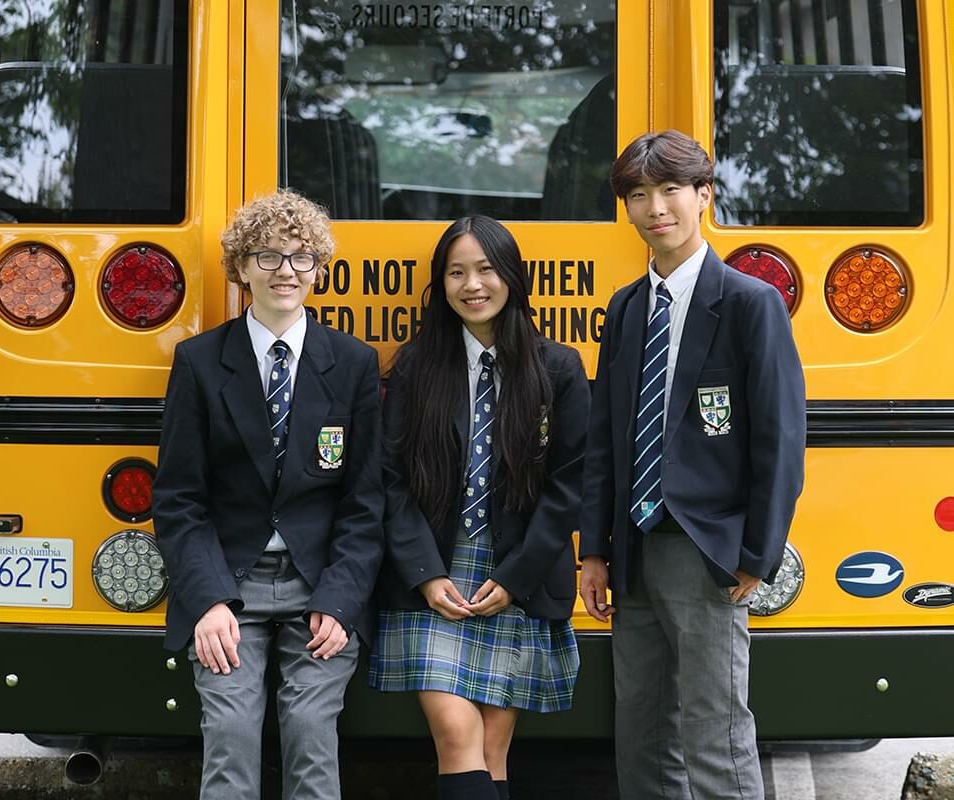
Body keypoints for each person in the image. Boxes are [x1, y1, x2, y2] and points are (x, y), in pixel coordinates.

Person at [578, 130, 805, 799]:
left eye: (671, 189)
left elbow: (779, 438)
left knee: (713, 730)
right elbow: (605, 438)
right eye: (638, 194)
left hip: (707, 549)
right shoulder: (626, 307)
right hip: (634, 547)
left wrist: (757, 554)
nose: (655, 208)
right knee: (641, 730)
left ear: (704, 195)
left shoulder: (749, 302)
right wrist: (595, 551)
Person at [153, 190, 384, 800]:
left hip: (320, 585)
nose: (286, 270)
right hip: (230, 585)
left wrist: (340, 600)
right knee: (230, 733)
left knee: (311, 731)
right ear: (240, 267)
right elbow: (178, 498)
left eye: (301, 257)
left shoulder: (353, 364)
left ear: (318, 269)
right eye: (268, 256)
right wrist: (207, 601)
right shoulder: (201, 362)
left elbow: (364, 503)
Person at [369, 215, 589, 800]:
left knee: (492, 747)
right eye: (456, 272)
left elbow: (568, 486)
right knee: (455, 731)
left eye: (486, 269)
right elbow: (390, 479)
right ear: (440, 284)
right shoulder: (415, 365)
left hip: (517, 574)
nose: (472, 285)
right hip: (432, 573)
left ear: (512, 276)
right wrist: (425, 574)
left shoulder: (558, 368)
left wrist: (515, 579)